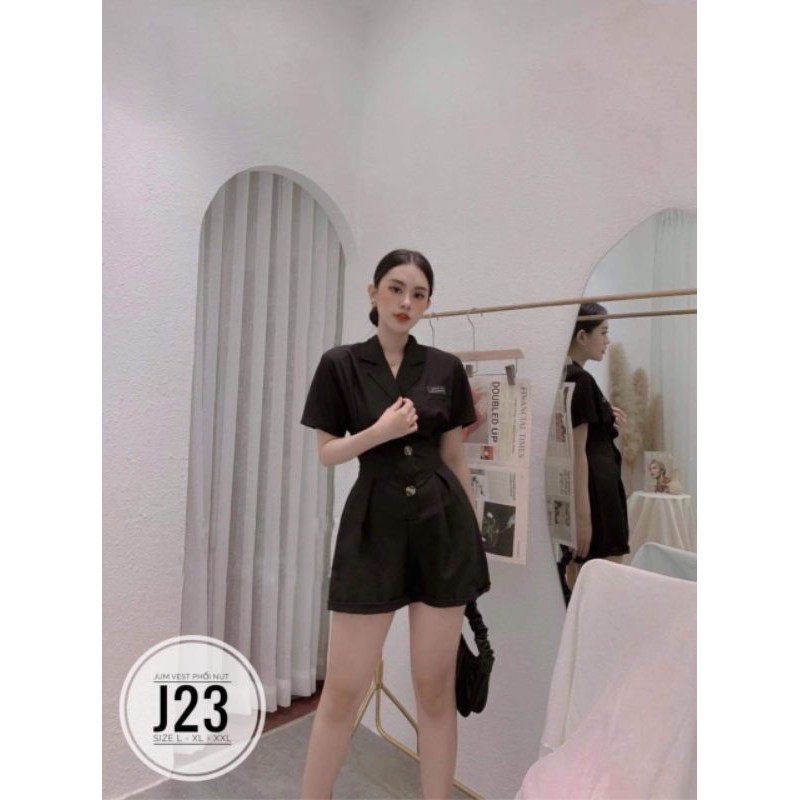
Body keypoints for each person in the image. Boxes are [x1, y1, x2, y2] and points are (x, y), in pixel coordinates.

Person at [298, 249, 491, 800]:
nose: (406, 302)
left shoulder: (444, 368)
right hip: (372, 527)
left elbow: (454, 460)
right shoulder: (340, 364)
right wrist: (378, 432)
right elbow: (327, 453)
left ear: (428, 303)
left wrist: (472, 539)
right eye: (396, 288)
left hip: (441, 528)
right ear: (373, 293)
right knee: (343, 689)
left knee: (434, 691)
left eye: (419, 294)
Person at [564, 302, 630, 580]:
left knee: (586, 576)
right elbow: (576, 453)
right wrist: (582, 519)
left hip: (594, 487)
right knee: (606, 576)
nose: (608, 340)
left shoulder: (568, 376)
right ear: (582, 336)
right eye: (603, 332)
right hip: (597, 493)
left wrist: (605, 415)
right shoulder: (580, 380)